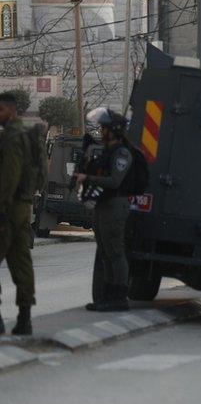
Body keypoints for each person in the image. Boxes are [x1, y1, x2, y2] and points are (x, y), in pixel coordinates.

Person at [74, 108, 136, 312]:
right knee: (104, 251)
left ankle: (119, 296)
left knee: (116, 252)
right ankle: (107, 295)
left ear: (114, 130)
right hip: (102, 205)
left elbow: (115, 180)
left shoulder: (122, 153)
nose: (101, 131)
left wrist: (89, 178)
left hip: (115, 206)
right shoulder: (107, 151)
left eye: (104, 128)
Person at [0, 92, 36, 335]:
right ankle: (25, 319)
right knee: (21, 262)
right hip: (23, 207)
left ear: (11, 110)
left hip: (8, 207)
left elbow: (8, 178)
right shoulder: (27, 135)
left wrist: (1, 211)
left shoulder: (12, 138)